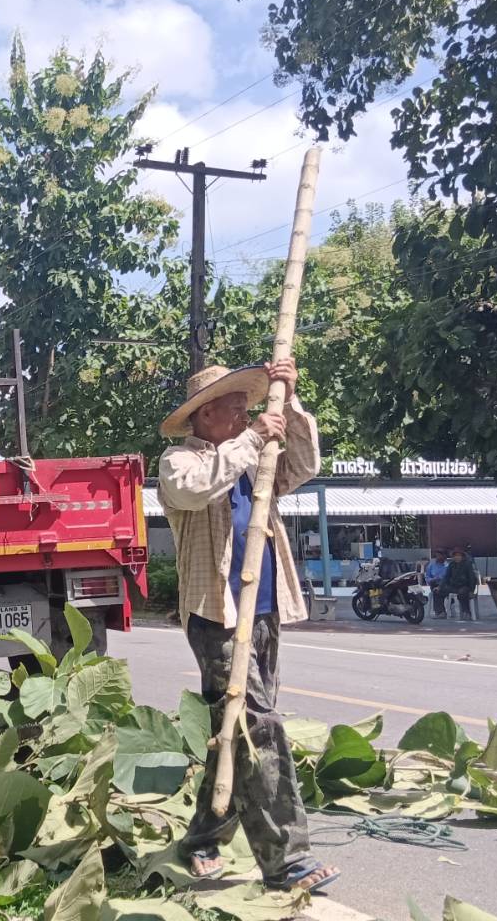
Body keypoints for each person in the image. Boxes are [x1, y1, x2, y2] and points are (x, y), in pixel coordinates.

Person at [157, 359, 338, 895]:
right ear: (204, 414)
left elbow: (303, 464)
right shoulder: (180, 461)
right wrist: (254, 437)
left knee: (234, 730)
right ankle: (287, 860)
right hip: (217, 615)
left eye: (246, 407)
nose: (244, 414)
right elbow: (196, 490)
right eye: (234, 408)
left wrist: (291, 403)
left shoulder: (256, 458)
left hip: (261, 610)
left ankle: (203, 838)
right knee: (259, 727)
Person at [444, 548, 479, 621]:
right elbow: (446, 577)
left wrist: (471, 591)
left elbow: (472, 578)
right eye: (455, 556)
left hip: (466, 586)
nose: (457, 557)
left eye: (458, 555)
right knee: (439, 591)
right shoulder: (451, 564)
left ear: (462, 556)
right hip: (454, 586)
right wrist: (440, 586)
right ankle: (441, 611)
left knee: (462, 593)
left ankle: (466, 611)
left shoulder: (467, 564)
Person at [425, 549, 451, 619]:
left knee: (437, 590)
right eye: (437, 555)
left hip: (446, 585)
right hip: (434, 583)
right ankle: (440, 612)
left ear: (444, 556)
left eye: (440, 555)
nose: (438, 557)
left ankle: (440, 612)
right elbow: (427, 577)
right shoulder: (431, 565)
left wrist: (440, 579)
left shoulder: (448, 566)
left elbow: (449, 577)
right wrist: (432, 579)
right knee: (435, 588)